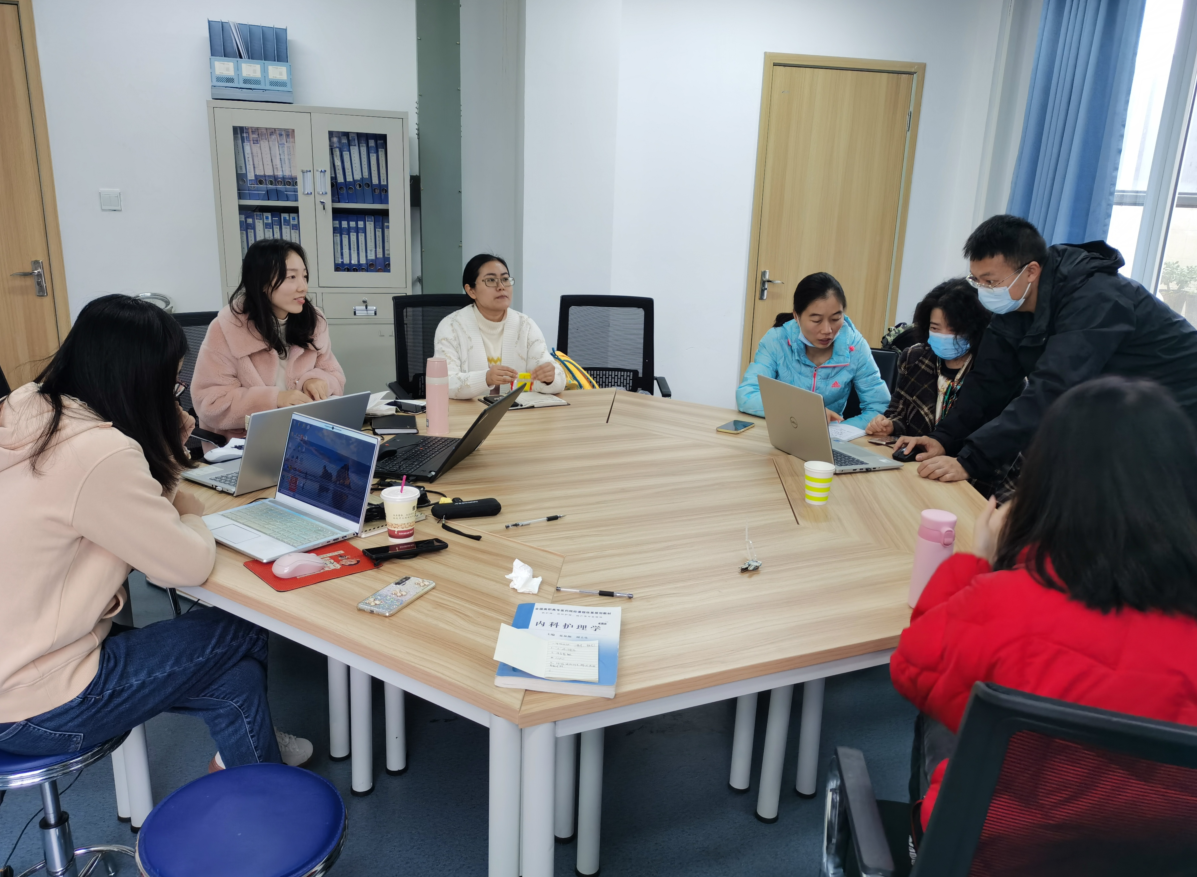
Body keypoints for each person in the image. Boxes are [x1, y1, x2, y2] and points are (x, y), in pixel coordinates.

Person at [0, 295, 309, 771]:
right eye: (172, 384)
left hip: (16, 667)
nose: (175, 395)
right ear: (140, 382)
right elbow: (184, 565)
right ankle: (252, 768)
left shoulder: (27, 408)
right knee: (244, 627)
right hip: (36, 703)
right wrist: (188, 502)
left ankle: (250, 767)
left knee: (236, 678)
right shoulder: (97, 452)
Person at [890, 377, 1197, 837]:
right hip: (1156, 854)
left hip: (992, 851)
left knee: (945, 714)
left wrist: (984, 562)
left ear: (1046, 479)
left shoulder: (1006, 599)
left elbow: (912, 669)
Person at [893, 215, 1197, 485]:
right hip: (1124, 406)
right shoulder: (1013, 301)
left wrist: (971, 461)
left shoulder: (1094, 298)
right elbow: (988, 381)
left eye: (991, 281)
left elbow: (1052, 390)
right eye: (977, 280)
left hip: (1180, 407)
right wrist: (943, 439)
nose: (984, 290)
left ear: (1031, 271)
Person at [192, 239, 346, 440]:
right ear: (262, 282)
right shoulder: (227, 328)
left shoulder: (313, 322)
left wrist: (318, 381)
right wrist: (274, 400)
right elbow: (210, 403)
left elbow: (334, 375)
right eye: (291, 277)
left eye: (304, 276)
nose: (303, 287)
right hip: (247, 442)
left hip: (304, 436)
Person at [736, 272, 890, 427]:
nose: (827, 330)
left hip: (832, 436)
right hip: (782, 430)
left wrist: (842, 430)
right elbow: (747, 395)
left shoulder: (855, 346)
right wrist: (805, 412)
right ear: (796, 316)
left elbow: (879, 407)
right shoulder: (776, 340)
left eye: (836, 319)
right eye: (816, 320)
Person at [865, 278, 992, 440]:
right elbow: (898, 413)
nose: (944, 336)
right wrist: (889, 425)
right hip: (915, 453)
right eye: (935, 328)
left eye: (954, 330)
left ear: (974, 328)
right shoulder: (914, 357)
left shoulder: (989, 366)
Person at [434, 253, 565, 398]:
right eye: (491, 280)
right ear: (471, 290)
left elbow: (558, 379)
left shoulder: (525, 325)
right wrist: (485, 378)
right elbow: (444, 383)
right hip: (470, 411)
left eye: (505, 279)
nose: (501, 286)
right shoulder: (451, 327)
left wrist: (550, 378)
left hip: (518, 410)